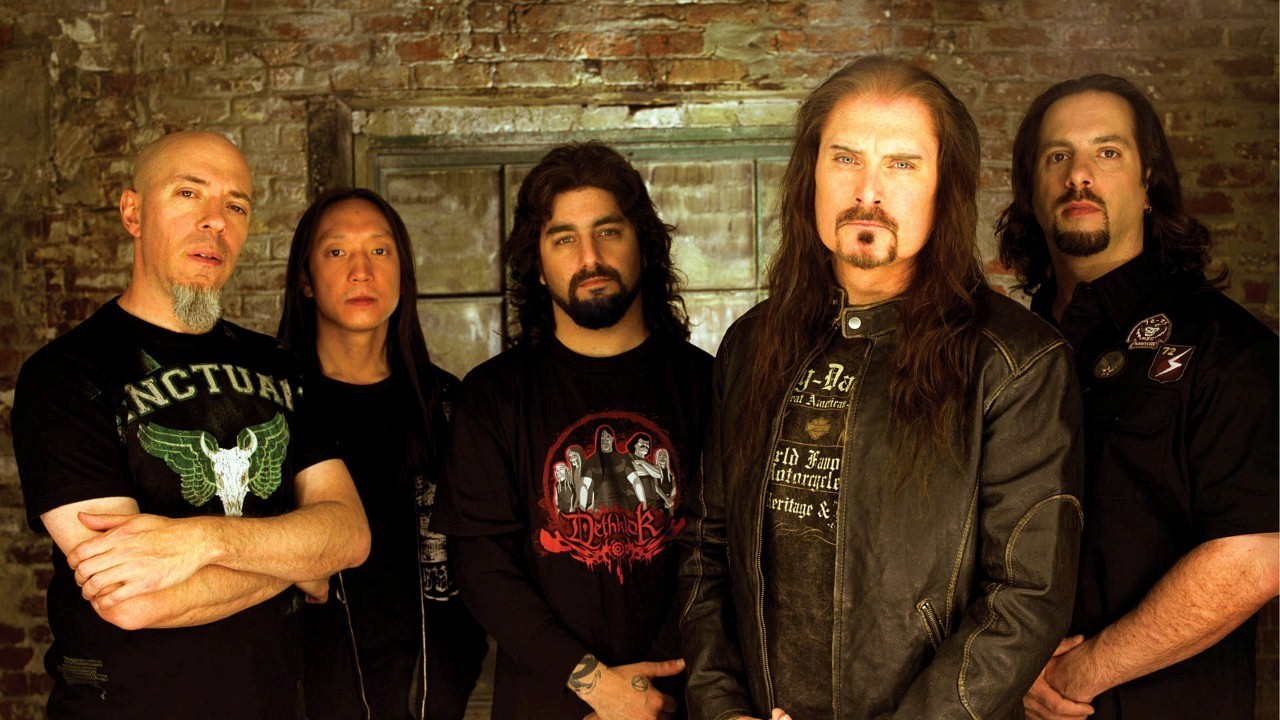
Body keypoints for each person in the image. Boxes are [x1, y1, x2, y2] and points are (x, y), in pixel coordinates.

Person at [679, 56, 1084, 720]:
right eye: (845, 159)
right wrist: (723, 711)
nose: (867, 191)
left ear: (945, 187)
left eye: (901, 164)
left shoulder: (1016, 362)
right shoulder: (751, 345)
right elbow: (707, 550)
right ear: (810, 175)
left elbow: (1024, 596)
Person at [10, 130, 371, 719]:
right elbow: (132, 601)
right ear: (133, 213)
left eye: (236, 206)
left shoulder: (280, 365)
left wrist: (198, 542)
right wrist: (300, 560)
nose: (215, 221)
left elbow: (350, 534)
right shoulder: (66, 375)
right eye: (188, 193)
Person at [996, 74, 1280, 720]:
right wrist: (1007, 668)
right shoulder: (1002, 356)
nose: (1079, 176)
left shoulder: (1227, 348)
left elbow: (1259, 553)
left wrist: (1080, 672)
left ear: (1149, 183)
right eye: (1057, 156)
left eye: (1108, 152)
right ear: (1031, 191)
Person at [430, 141, 713, 720]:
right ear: (537, 265)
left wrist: (647, 689)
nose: (590, 257)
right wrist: (596, 685)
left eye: (608, 231)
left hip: (684, 699)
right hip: (548, 704)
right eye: (564, 239)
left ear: (643, 245)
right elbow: (483, 570)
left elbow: (722, 553)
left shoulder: (709, 385)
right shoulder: (492, 396)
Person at [277, 188, 488, 719]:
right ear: (305, 279)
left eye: (379, 250)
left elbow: (483, 558)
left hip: (429, 696)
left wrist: (453, 672)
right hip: (303, 694)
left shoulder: (448, 405)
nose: (361, 272)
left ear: (403, 273)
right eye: (336, 252)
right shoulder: (268, 405)